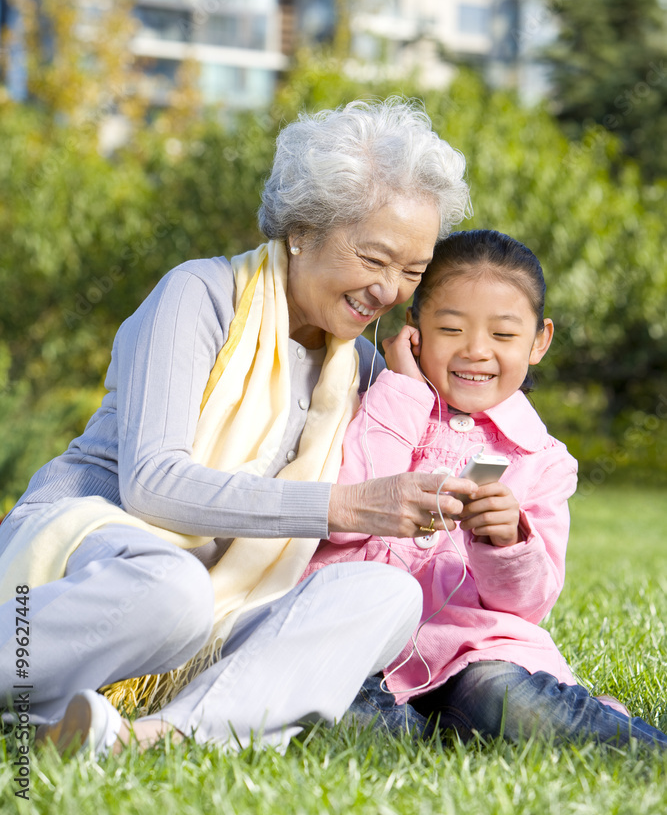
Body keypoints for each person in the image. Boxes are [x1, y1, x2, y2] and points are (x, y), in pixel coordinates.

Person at [0, 98, 475, 757]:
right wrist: (345, 506)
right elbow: (153, 486)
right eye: (374, 258)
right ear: (302, 229)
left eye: (413, 273)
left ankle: (152, 736)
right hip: (94, 562)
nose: (390, 289)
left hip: (217, 609)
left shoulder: (362, 366)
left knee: (384, 595)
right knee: (171, 593)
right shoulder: (198, 295)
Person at [303, 230, 667, 748]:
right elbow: (338, 524)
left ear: (539, 341)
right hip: (354, 642)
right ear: (414, 331)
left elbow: (528, 604)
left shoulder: (539, 459)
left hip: (471, 653)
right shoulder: (371, 403)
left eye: (503, 335)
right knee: (360, 728)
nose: (476, 351)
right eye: (450, 328)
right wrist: (403, 392)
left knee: (513, 702)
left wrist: (509, 544)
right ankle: (420, 727)